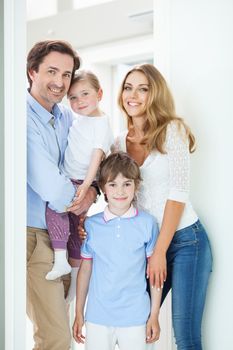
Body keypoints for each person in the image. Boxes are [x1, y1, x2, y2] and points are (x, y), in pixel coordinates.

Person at [114, 63, 212, 350]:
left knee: (185, 334)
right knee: (132, 326)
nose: (133, 95)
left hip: (186, 242)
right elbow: (110, 190)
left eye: (143, 89)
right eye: (128, 87)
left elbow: (178, 194)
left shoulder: (172, 131)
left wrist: (159, 251)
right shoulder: (119, 143)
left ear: (154, 95)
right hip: (147, 246)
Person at [27, 40, 98, 350]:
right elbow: (54, 190)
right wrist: (82, 197)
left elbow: (93, 162)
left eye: (67, 74)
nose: (59, 82)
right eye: (51, 71)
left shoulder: (67, 117)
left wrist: (93, 190)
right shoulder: (19, 117)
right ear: (32, 72)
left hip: (67, 233)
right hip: (34, 238)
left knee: (59, 333)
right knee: (55, 337)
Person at [73, 152, 162, 350]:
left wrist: (154, 315)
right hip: (98, 316)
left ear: (136, 186)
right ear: (103, 187)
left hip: (136, 316)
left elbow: (155, 276)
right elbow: (85, 271)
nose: (120, 191)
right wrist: (79, 312)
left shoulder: (148, 224)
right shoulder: (91, 226)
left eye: (127, 184)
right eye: (113, 184)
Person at [45, 70, 113, 286]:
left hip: (79, 181)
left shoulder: (101, 123)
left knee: (55, 209)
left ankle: (59, 258)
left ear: (99, 94)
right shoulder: (79, 119)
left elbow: (97, 155)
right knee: (75, 228)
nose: (79, 101)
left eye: (85, 94)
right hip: (70, 177)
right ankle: (74, 280)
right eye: (73, 97)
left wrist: (86, 185)